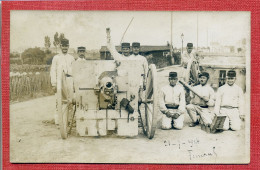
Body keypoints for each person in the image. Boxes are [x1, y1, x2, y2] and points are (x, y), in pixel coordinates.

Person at [50, 38, 75, 125]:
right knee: (59, 101)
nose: (65, 48)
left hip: (70, 80)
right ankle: (58, 122)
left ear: (68, 46)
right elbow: (53, 71)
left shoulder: (71, 58)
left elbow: (74, 71)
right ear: (60, 46)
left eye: (66, 46)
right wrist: (54, 84)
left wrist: (74, 84)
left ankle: (70, 121)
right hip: (60, 81)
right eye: (63, 46)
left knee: (70, 101)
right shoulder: (56, 58)